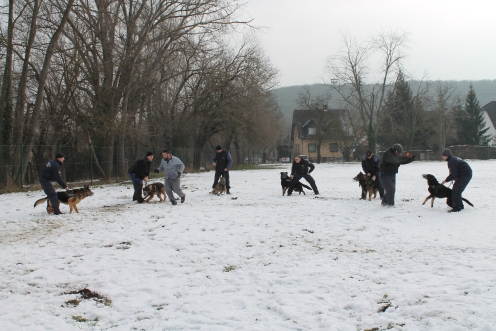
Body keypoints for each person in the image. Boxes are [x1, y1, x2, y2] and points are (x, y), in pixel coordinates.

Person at [440, 148, 473, 213]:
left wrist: (446, 180)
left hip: (465, 175)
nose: (442, 157)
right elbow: (455, 172)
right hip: (463, 175)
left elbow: (453, 174)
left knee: (456, 191)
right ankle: (460, 206)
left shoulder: (452, 161)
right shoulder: (452, 159)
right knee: (456, 190)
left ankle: (457, 208)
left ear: (446, 156)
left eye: (443, 155)